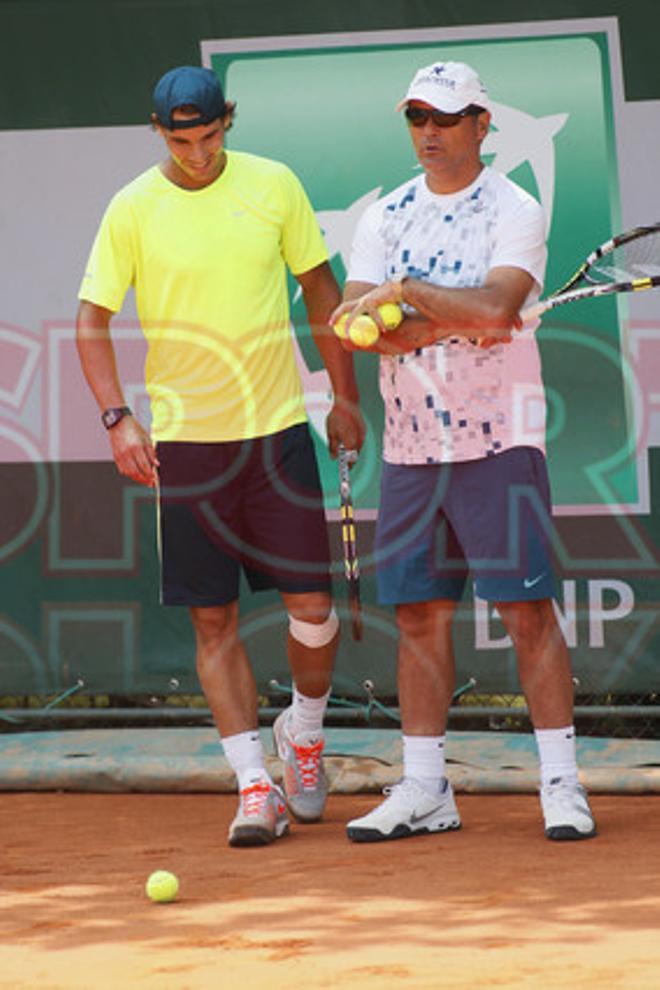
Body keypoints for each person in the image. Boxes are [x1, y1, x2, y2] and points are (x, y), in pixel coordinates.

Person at [76, 65, 363, 847]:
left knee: (312, 613)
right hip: (187, 447)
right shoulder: (132, 206)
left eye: (209, 137)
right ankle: (252, 784)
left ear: (228, 123)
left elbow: (320, 289)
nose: (198, 154)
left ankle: (304, 735)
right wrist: (117, 420)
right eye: (181, 140)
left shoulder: (274, 186)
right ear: (159, 132)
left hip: (276, 433)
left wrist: (345, 398)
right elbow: (91, 319)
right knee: (214, 619)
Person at [332, 61, 596, 843]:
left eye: (445, 118)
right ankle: (425, 790)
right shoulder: (383, 215)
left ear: (482, 124)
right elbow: (353, 320)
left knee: (525, 611)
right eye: (417, 118)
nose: (430, 133)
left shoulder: (516, 209)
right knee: (418, 616)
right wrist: (439, 316)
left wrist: (409, 295)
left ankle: (560, 781)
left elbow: (498, 311)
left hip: (499, 439)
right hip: (412, 448)